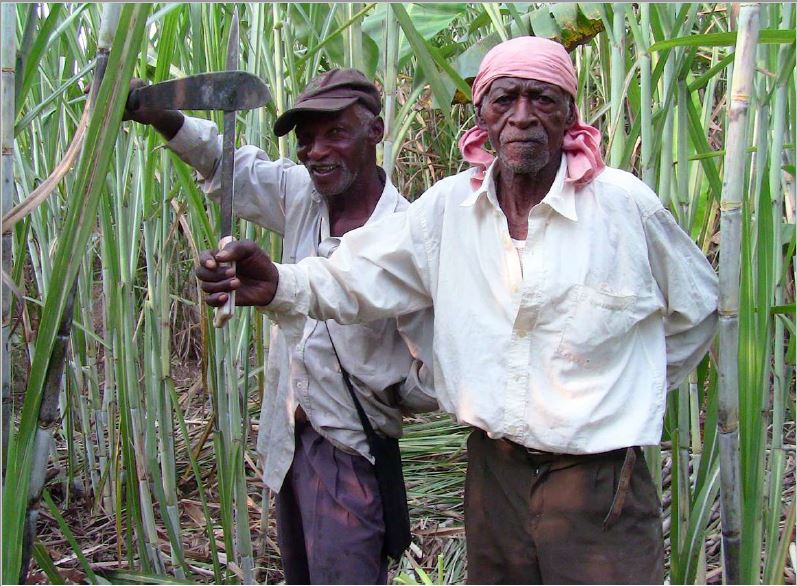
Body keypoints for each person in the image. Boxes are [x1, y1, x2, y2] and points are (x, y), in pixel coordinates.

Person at [196, 37, 719, 584]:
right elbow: (358, 273)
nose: (522, 117)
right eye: (504, 100)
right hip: (495, 471)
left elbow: (697, 310)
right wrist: (280, 281)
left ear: (570, 114)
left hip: (599, 478)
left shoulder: (622, 206)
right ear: (483, 118)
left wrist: (627, 388)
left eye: (542, 100)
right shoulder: (449, 210)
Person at [125, 68, 435, 584]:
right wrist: (153, 110)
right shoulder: (301, 196)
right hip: (288, 439)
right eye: (306, 139)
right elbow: (226, 163)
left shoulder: (408, 232)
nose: (315, 151)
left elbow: (436, 358)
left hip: (351, 450)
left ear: (375, 132)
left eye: (335, 133)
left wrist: (394, 392)